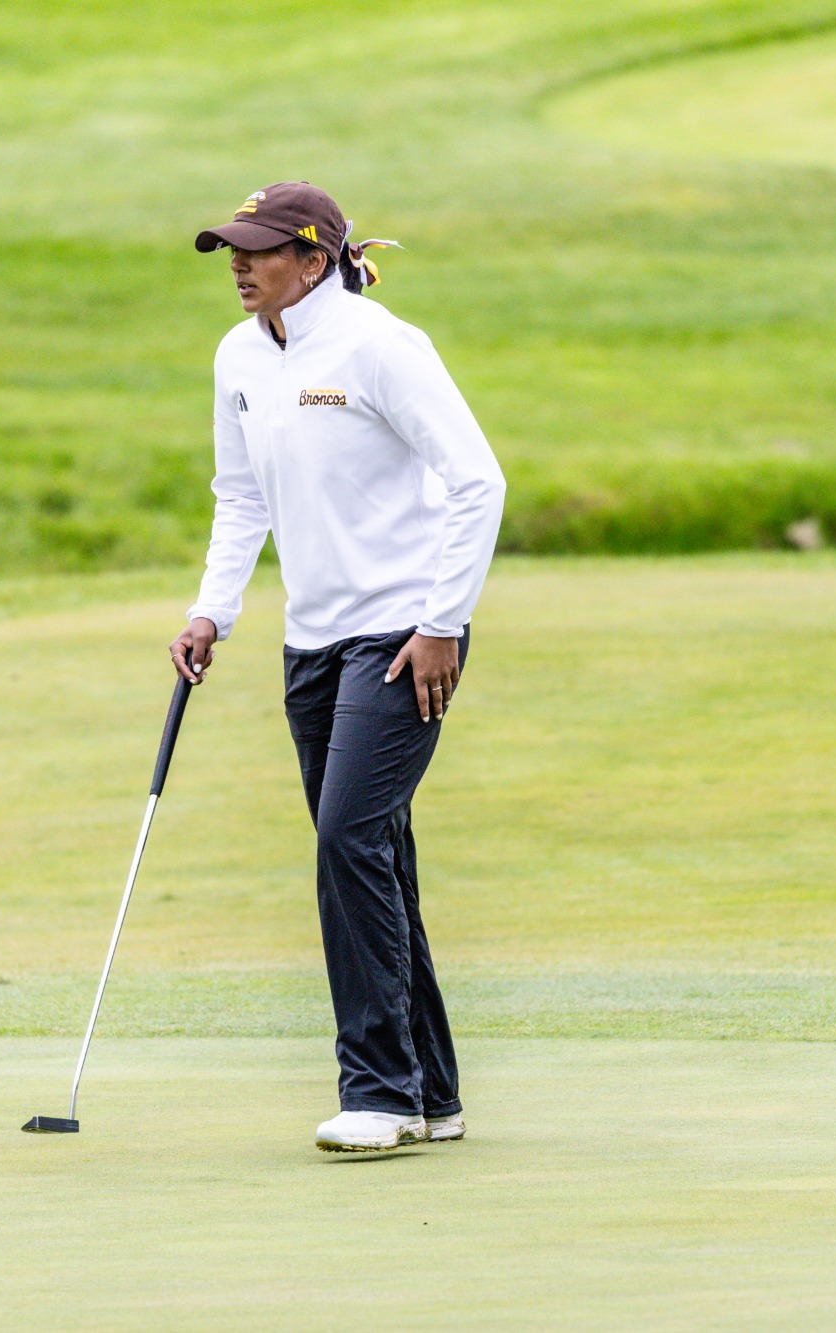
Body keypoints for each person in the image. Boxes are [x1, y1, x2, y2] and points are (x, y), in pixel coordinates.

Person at [170, 182, 505, 1153]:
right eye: (232, 249)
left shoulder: (378, 346)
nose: (239, 264)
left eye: (259, 249)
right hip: (310, 643)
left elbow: (478, 481)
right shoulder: (238, 356)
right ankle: (432, 1092)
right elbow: (240, 496)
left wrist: (442, 622)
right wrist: (211, 609)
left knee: (346, 841)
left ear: (314, 261)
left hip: (402, 637)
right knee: (374, 853)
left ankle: (379, 1091)